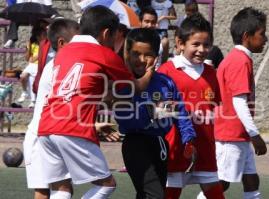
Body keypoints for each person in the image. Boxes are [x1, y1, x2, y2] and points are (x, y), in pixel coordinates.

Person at [37, 6, 155, 199]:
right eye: (114, 38)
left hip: (46, 127)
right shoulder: (102, 53)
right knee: (106, 185)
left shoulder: (64, 51)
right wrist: (151, 71)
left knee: (61, 189)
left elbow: (87, 87)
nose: (113, 43)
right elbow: (135, 87)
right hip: (72, 127)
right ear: (106, 33)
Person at [115, 28, 197, 199]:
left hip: (160, 145)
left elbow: (180, 110)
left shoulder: (165, 82)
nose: (142, 60)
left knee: (148, 195)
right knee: (154, 195)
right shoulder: (124, 84)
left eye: (148, 55)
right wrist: (158, 110)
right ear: (127, 54)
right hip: (135, 144)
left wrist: (188, 139)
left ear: (157, 57)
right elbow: (127, 121)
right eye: (136, 54)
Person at [158, 13, 225, 199]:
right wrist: (176, 112)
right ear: (180, 43)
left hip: (205, 149)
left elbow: (213, 108)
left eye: (206, 45)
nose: (202, 49)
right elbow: (156, 111)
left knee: (216, 194)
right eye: (195, 44)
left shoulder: (212, 73)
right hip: (176, 148)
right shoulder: (166, 71)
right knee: (170, 194)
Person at [214, 7, 268, 199]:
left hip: (239, 134)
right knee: (221, 183)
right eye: (262, 34)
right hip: (231, 134)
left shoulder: (240, 58)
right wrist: (255, 134)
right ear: (247, 36)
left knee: (251, 179)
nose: (266, 39)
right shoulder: (239, 60)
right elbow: (238, 102)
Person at [23, 18, 79, 199]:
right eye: (77, 41)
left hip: (52, 134)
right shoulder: (55, 67)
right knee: (45, 190)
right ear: (62, 43)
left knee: (63, 188)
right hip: (41, 136)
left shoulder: (62, 66)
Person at [17, 25, 47, 108]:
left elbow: (40, 56)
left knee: (31, 79)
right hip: (33, 65)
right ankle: (24, 92)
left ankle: (33, 101)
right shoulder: (33, 43)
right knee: (23, 76)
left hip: (40, 65)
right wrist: (28, 47)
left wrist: (36, 57)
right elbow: (28, 59)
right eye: (38, 35)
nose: (40, 36)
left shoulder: (46, 43)